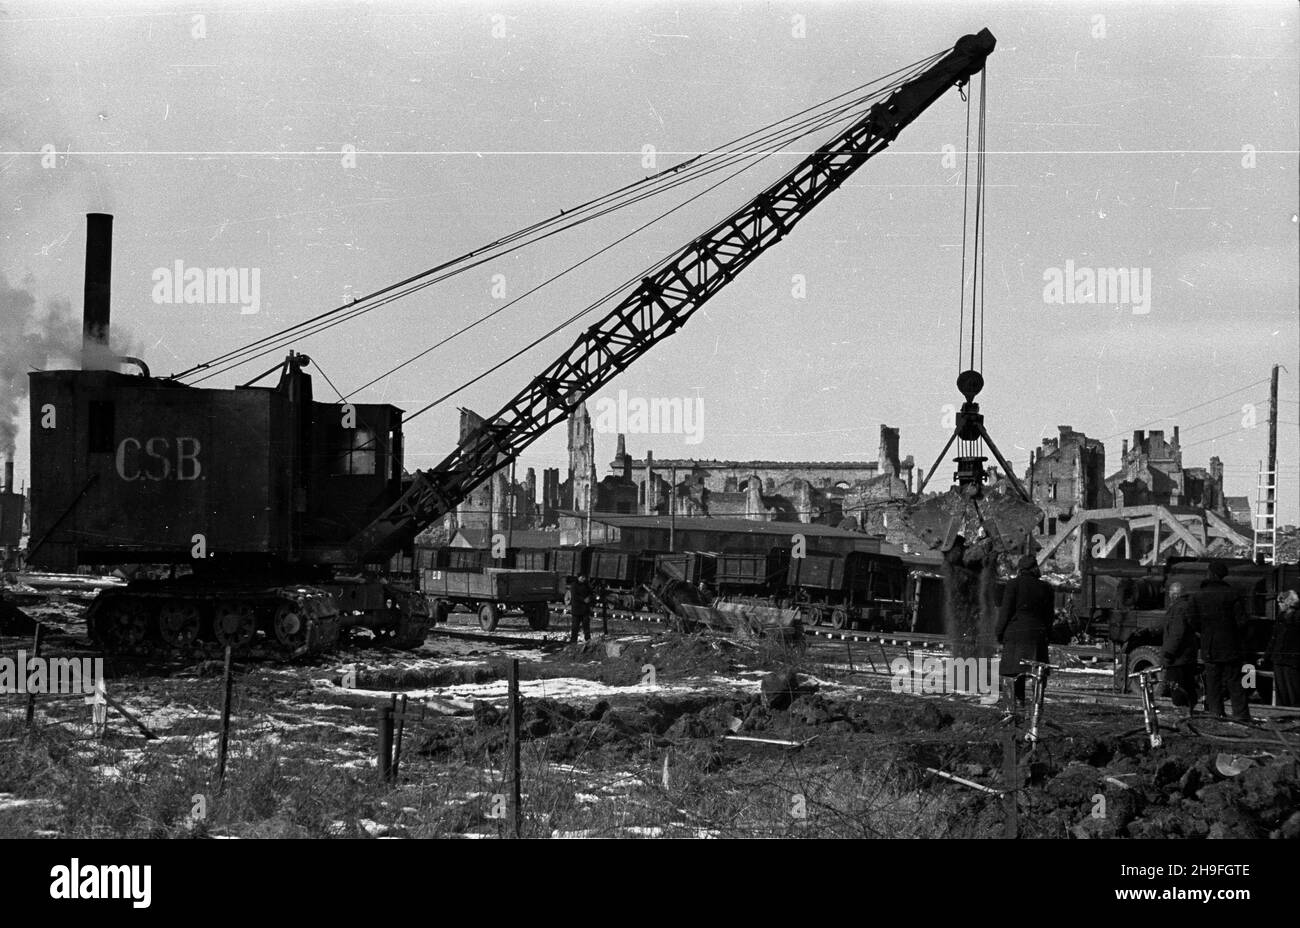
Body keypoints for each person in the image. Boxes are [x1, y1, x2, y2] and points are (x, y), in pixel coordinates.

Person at [1185, 561, 1250, 721]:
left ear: (1210, 574)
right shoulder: (1233, 594)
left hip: (1210, 645)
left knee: (1213, 682)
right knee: (1235, 681)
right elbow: (1242, 621)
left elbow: (1191, 620)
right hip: (1230, 645)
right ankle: (1241, 714)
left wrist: (1205, 632)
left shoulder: (1197, 595)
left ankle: (1216, 712)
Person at [995, 553, 1055, 720]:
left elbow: (1005, 612)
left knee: (1010, 673)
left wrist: (999, 633)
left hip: (1015, 635)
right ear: (1035, 568)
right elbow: (1049, 617)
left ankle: (1010, 710)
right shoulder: (1047, 588)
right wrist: (1047, 636)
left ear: (1021, 569)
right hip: (1037, 636)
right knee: (1038, 675)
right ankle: (1036, 711)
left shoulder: (1013, 585)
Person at [1160, 581, 1199, 716]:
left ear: (1175, 594)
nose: (1169, 595)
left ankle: (1181, 714)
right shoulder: (1187, 606)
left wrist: (1168, 653)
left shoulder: (1178, 608)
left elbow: (1177, 633)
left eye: (1171, 592)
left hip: (1178, 658)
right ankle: (1188, 711)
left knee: (1176, 686)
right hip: (1187, 656)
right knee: (1187, 684)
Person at [1267, 589, 1300, 707]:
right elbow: (1274, 638)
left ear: (1288, 602)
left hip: (1291, 660)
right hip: (1280, 658)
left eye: (1280, 602)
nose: (1279, 605)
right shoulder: (1281, 617)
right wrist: (1267, 656)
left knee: (1293, 689)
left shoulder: (1297, 617)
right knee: (1282, 689)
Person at [567, 574, 594, 645]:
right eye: (582, 577)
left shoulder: (587, 585)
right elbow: (574, 595)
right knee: (575, 627)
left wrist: (589, 598)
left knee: (586, 626)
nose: (583, 579)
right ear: (578, 577)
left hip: (585, 610)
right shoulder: (574, 585)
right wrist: (583, 600)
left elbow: (591, 593)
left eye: (584, 577)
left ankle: (588, 640)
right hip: (577, 609)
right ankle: (573, 641)